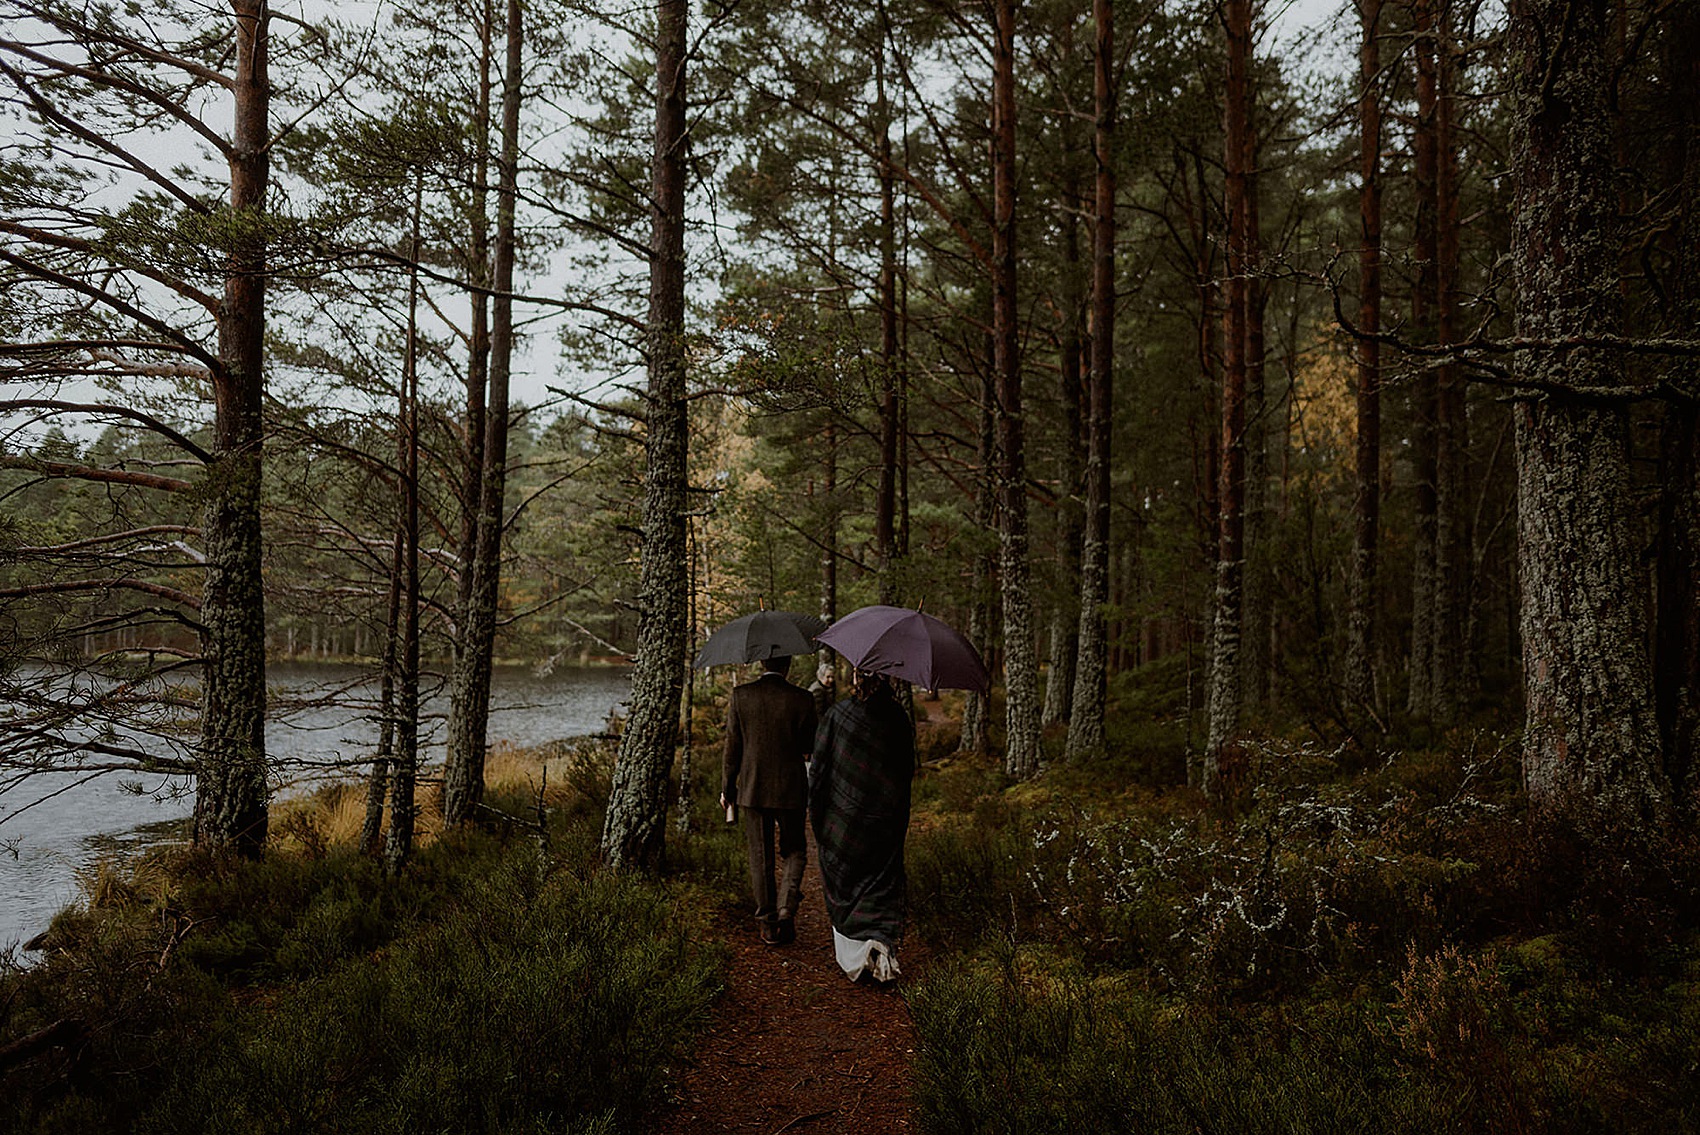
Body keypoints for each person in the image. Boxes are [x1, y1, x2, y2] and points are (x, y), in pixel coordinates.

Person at [808, 668, 915, 983]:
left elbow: (819, 771)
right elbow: (907, 770)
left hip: (843, 820)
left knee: (845, 882)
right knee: (881, 883)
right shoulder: (898, 717)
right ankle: (880, 947)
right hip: (885, 819)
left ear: (857, 678)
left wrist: (819, 818)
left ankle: (857, 958)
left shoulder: (837, 715)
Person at [721, 655, 818, 946]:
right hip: (791, 788)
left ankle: (768, 924)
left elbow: (732, 747)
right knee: (795, 849)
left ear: (762, 663)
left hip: (753, 788)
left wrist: (728, 788)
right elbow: (809, 746)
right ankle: (786, 907)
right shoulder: (803, 698)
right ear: (787, 665)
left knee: (760, 857)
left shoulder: (741, 696)